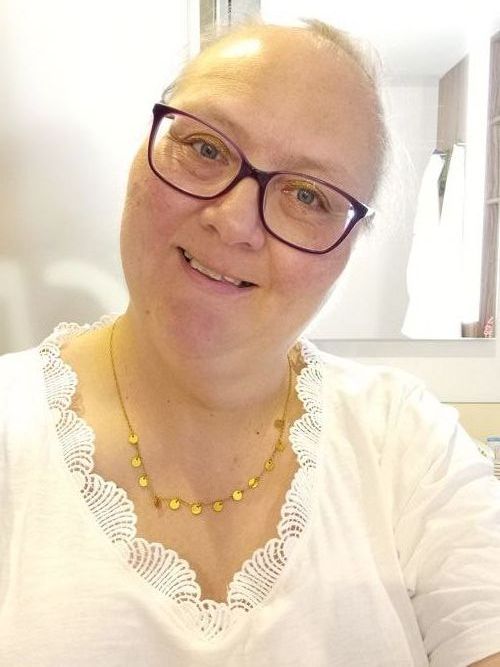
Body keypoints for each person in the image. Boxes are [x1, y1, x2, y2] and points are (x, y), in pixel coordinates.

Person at [1, 16, 500, 667]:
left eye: (307, 195)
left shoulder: (404, 440)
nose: (235, 222)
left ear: (351, 246)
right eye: (206, 148)